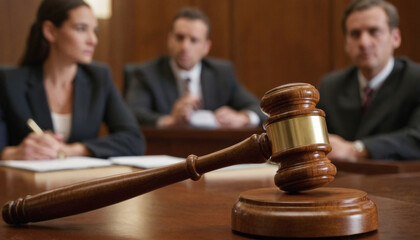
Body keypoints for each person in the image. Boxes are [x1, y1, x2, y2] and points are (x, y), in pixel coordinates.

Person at [0, 0, 145, 160]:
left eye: (94, 31)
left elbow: (134, 140)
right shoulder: (9, 81)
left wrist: (73, 150)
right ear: (50, 31)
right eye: (81, 29)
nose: (93, 40)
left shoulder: (99, 77)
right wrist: (13, 154)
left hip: (82, 183)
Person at [125, 7, 266, 128]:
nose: (185, 47)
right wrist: (168, 120)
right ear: (169, 39)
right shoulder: (147, 73)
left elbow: (261, 109)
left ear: (206, 47)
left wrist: (243, 118)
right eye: (179, 38)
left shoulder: (222, 73)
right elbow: (132, 114)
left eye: (194, 40)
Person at [318, 0, 420, 161]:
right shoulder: (330, 86)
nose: (364, 43)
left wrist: (356, 149)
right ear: (346, 43)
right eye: (355, 34)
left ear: (395, 37)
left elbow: (417, 138)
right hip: (342, 181)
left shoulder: (416, 79)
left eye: (374, 31)